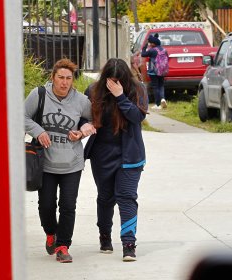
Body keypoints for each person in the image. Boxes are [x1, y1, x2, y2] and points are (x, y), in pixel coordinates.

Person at [24, 58, 94, 263]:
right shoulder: (39, 94)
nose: (64, 82)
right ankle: (50, 233)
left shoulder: (81, 101)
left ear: (73, 80)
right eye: (60, 77)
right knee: (46, 205)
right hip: (45, 162)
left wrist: (82, 132)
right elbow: (22, 116)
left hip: (72, 163)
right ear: (52, 77)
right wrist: (38, 131)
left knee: (68, 205)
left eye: (69, 78)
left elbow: (92, 120)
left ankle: (63, 246)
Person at [81, 58, 148, 262]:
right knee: (105, 198)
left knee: (127, 197)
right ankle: (104, 235)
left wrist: (120, 97)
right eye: (110, 80)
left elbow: (137, 117)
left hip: (130, 155)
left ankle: (129, 244)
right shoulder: (93, 91)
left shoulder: (137, 90)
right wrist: (85, 125)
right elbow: (83, 116)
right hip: (102, 154)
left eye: (118, 81)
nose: (114, 84)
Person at [141, 33, 167, 109]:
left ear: (153, 44)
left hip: (153, 71)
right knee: (161, 85)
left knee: (155, 87)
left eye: (150, 43)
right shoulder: (164, 50)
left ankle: (158, 104)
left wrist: (144, 46)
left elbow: (143, 54)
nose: (149, 44)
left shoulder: (152, 50)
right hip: (162, 70)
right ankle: (163, 99)